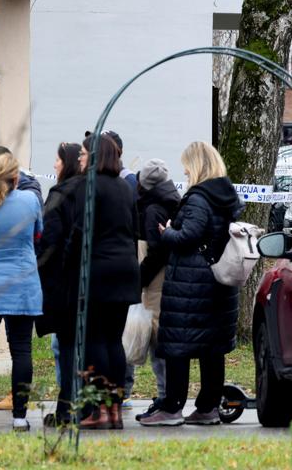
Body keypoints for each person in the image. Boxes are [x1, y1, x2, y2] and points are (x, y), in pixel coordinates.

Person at [141, 142, 243, 427]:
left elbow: (190, 235)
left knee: (177, 345)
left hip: (191, 285)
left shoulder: (199, 197)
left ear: (197, 165)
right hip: (217, 284)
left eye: (187, 164)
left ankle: (172, 406)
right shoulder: (225, 195)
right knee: (212, 349)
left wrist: (168, 232)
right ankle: (208, 407)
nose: (184, 170)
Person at [62, 134, 141, 429]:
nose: (80, 158)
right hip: (125, 269)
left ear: (94, 156)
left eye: (83, 153)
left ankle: (97, 410)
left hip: (98, 270)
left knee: (95, 340)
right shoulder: (124, 186)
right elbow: (133, 229)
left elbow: (81, 230)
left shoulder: (88, 186)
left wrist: (66, 261)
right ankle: (115, 409)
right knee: (114, 341)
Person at [0, 152, 44, 434]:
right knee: (22, 350)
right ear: (17, 177)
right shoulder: (30, 201)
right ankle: (19, 418)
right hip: (23, 284)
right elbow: (39, 235)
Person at [34, 142, 83, 426]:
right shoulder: (90, 192)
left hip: (63, 284)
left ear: (67, 163)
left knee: (65, 348)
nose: (53, 164)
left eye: (56, 160)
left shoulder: (60, 195)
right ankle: (83, 405)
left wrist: (38, 270)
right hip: (87, 281)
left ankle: (66, 408)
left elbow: (49, 242)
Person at [134, 159, 180, 418]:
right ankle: (165, 395)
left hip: (154, 284)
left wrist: (138, 278)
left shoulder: (152, 209)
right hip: (166, 280)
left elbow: (156, 251)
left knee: (157, 341)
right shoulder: (172, 199)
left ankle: (165, 398)